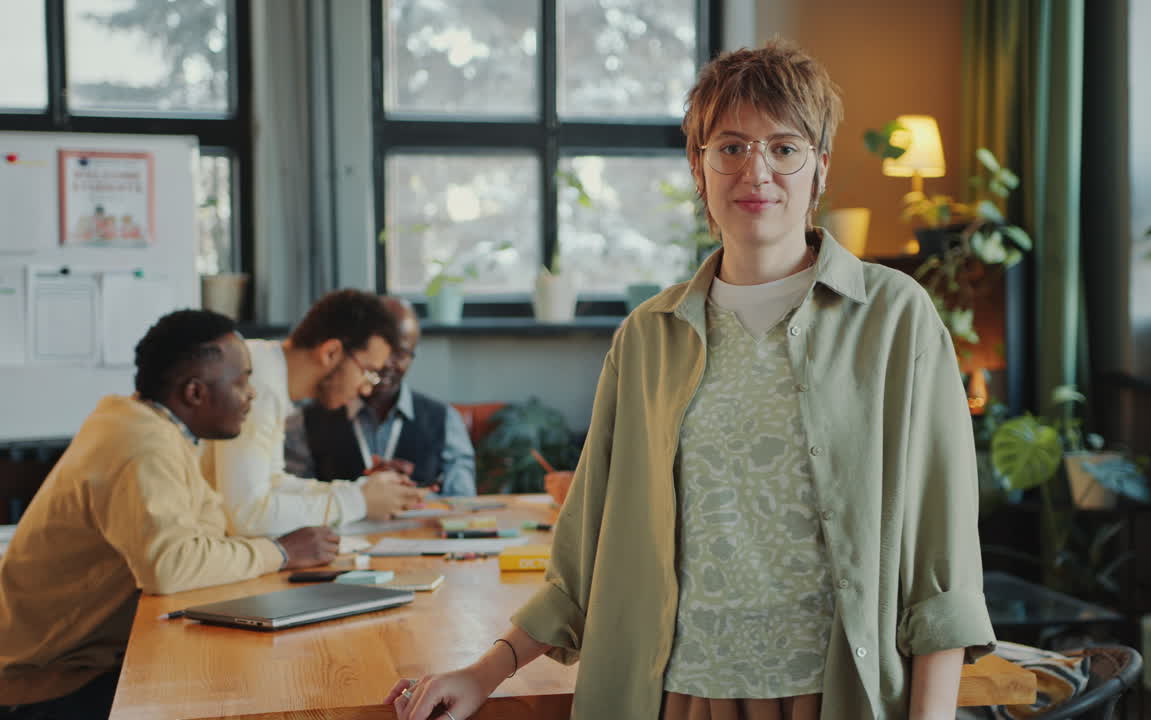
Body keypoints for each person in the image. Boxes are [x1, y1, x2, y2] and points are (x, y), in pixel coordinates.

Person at [387, 41, 996, 720]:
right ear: (698, 167)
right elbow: (585, 554)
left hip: (836, 698)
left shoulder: (894, 318)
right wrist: (484, 672)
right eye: (730, 147)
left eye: (784, 148)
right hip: (678, 696)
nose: (755, 170)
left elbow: (942, 563)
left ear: (819, 167)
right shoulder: (648, 337)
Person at [0, 310, 339, 720]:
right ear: (195, 393)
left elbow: (207, 533)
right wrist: (281, 552)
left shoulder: (151, 426)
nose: (252, 394)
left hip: (80, 661)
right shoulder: (142, 446)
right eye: (241, 381)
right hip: (46, 681)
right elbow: (170, 566)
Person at [201, 289, 423, 537]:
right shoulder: (257, 382)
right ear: (331, 352)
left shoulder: (269, 372)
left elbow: (272, 483)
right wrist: (358, 502)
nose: (367, 388)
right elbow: (249, 516)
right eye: (368, 371)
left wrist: (360, 492)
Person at [285, 297, 477, 496]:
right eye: (381, 352)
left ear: (412, 356)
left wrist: (416, 496)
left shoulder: (445, 419)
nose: (385, 364)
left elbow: (464, 504)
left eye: (400, 354)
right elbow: (294, 500)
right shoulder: (303, 421)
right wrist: (363, 491)